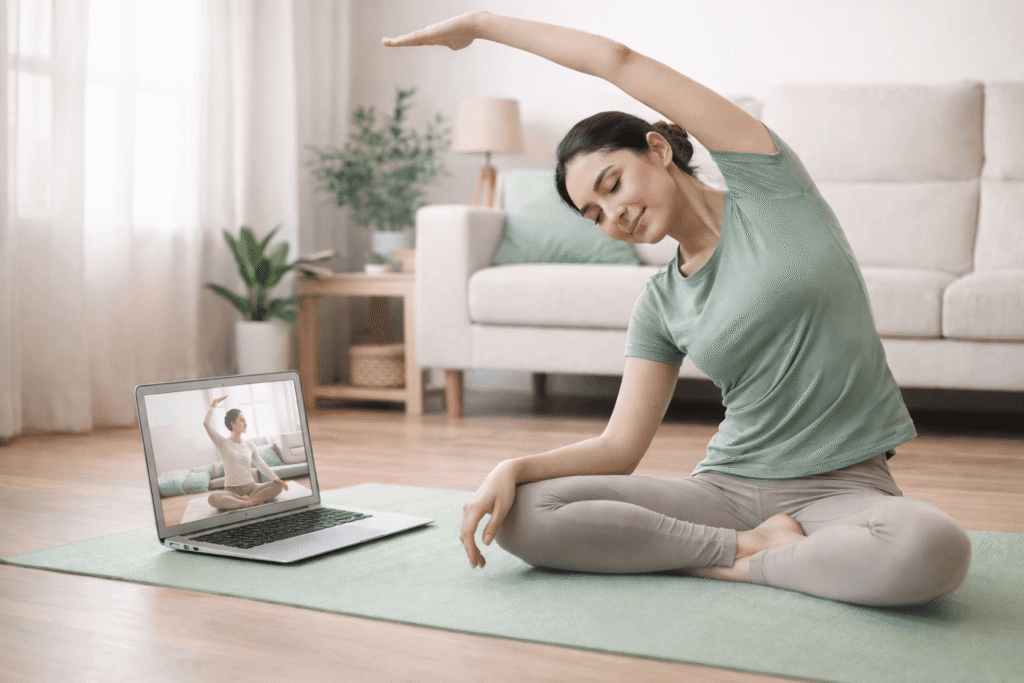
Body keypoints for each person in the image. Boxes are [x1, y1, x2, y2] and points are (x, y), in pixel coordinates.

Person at [384, 12, 971, 606]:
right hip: (726, 493)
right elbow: (619, 449)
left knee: (931, 547)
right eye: (594, 215)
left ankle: (732, 560)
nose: (613, 216)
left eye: (612, 185)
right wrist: (513, 466)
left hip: (845, 488)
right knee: (523, 514)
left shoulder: (772, 189)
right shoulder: (661, 301)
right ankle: (748, 547)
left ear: (658, 149)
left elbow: (617, 60)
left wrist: (484, 24)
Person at [203, 395, 289, 511]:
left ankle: (247, 501)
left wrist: (277, 479)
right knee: (213, 498)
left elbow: (261, 465)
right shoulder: (223, 443)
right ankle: (248, 503)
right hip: (231, 491)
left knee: (277, 486)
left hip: (252, 487)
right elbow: (207, 424)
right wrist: (214, 403)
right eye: (242, 420)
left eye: (246, 421)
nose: (246, 424)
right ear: (233, 424)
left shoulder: (250, 445)